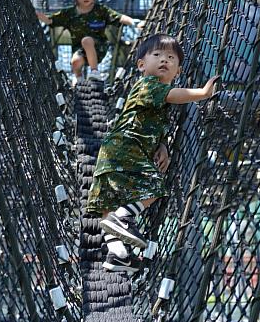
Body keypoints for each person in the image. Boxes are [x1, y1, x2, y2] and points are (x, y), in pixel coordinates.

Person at [86, 33, 219, 272]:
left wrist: (162, 146)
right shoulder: (149, 85)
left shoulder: (154, 98)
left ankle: (117, 256)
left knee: (108, 202)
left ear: (177, 71)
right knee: (155, 187)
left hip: (114, 151)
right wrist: (202, 93)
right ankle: (124, 217)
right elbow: (173, 95)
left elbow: (153, 123)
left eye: (170, 57)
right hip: (127, 147)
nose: (164, 60)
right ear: (141, 65)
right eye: (156, 55)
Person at [36, 0, 141, 82]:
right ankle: (79, 80)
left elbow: (119, 17)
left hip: (98, 47)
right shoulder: (69, 13)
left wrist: (133, 22)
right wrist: (36, 15)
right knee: (75, 62)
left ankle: (95, 72)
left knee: (87, 40)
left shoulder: (101, 10)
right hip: (80, 50)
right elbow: (50, 20)